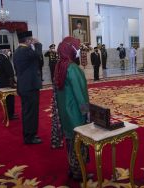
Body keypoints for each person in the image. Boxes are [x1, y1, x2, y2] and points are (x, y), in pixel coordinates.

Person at [55, 36, 90, 180]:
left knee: (70, 142)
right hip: (75, 112)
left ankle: (72, 168)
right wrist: (86, 112)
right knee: (79, 142)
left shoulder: (59, 65)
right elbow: (79, 93)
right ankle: (79, 173)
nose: (78, 50)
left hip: (65, 112)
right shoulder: (73, 68)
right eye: (76, 47)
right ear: (69, 49)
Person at [13, 31, 42, 144]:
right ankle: (30, 137)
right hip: (29, 86)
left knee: (27, 112)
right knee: (31, 112)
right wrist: (38, 44)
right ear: (28, 41)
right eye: (31, 40)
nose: (32, 41)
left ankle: (29, 135)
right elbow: (38, 54)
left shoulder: (17, 51)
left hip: (24, 86)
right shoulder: (25, 50)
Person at [0, 45, 18, 120]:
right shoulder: (4, 59)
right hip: (6, 82)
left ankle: (9, 114)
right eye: (8, 50)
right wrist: (13, 81)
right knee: (9, 100)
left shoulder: (1, 57)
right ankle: (10, 115)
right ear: (4, 50)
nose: (9, 51)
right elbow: (9, 71)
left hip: (3, 82)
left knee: (9, 100)